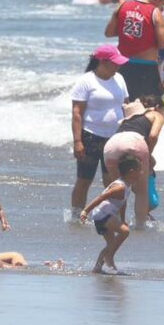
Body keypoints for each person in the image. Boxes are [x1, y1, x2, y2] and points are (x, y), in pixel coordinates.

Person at [70, 45, 129, 214]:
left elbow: (126, 106)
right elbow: (77, 113)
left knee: (113, 181)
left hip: (115, 137)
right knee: (84, 179)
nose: (119, 66)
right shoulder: (86, 81)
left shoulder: (119, 79)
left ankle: (112, 215)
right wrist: (77, 141)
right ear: (103, 62)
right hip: (90, 136)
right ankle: (76, 216)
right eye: (115, 62)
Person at [102, 96, 164, 227]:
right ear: (157, 108)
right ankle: (140, 227)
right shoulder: (156, 114)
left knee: (119, 190)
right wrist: (148, 155)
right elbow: (153, 136)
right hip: (134, 141)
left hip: (111, 144)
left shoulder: (127, 121)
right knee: (142, 191)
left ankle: (119, 223)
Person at [105, 0, 164, 97]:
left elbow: (109, 33)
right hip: (146, 67)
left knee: (125, 101)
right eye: (163, 1)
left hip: (123, 64)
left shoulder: (123, 6)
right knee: (150, 103)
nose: (163, 5)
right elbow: (163, 44)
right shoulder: (155, 12)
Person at [81, 154, 143, 274]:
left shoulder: (127, 185)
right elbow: (101, 197)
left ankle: (97, 268)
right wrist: (85, 211)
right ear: (131, 172)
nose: (142, 172)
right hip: (103, 215)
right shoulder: (120, 187)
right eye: (139, 170)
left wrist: (122, 220)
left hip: (106, 215)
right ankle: (109, 257)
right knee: (125, 232)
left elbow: (123, 203)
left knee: (111, 244)